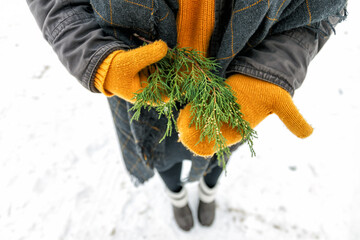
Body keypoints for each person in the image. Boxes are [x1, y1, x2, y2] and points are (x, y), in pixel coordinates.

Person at [27, 0, 347, 231]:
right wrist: (95, 56)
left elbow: (320, 9)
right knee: (162, 156)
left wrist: (269, 71)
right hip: (140, 86)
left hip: (230, 93)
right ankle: (176, 196)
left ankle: (209, 190)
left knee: (219, 154)